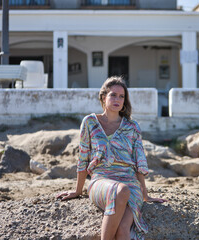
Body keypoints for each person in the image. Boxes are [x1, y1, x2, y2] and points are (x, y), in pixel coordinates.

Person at [57, 76, 166, 240]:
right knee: (121, 190)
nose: (118, 99)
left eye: (122, 96)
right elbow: (83, 158)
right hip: (101, 179)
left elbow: (139, 161)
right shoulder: (90, 122)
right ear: (103, 97)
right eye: (113, 95)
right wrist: (78, 190)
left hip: (130, 183)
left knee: (123, 230)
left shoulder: (132, 127)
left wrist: (145, 194)